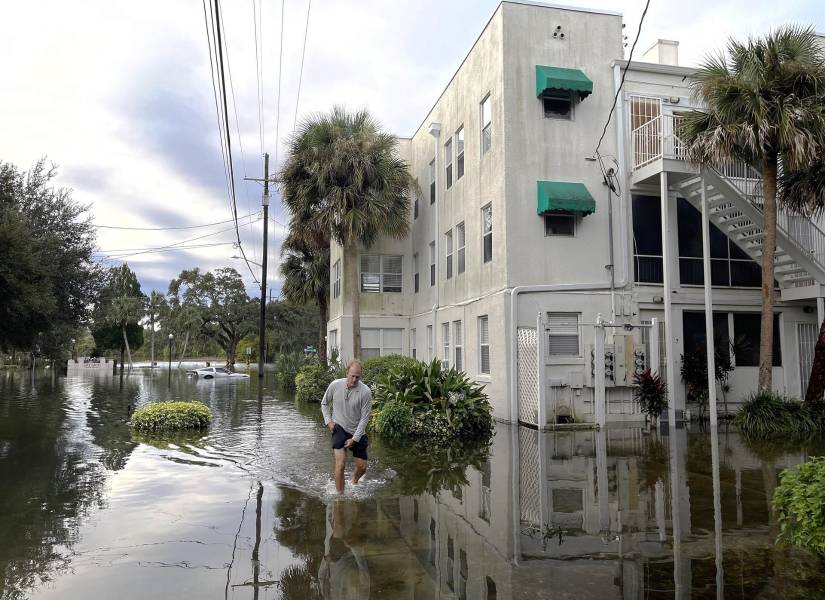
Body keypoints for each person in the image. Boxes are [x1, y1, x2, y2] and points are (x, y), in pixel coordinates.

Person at [321, 360, 372, 494]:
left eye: (358, 377)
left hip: (357, 431)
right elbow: (324, 403)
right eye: (352, 376)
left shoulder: (365, 392)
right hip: (339, 428)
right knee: (341, 463)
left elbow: (364, 418)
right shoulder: (335, 385)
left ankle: (354, 481)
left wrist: (355, 439)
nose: (354, 379)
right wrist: (329, 422)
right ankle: (340, 497)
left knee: (362, 467)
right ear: (347, 373)